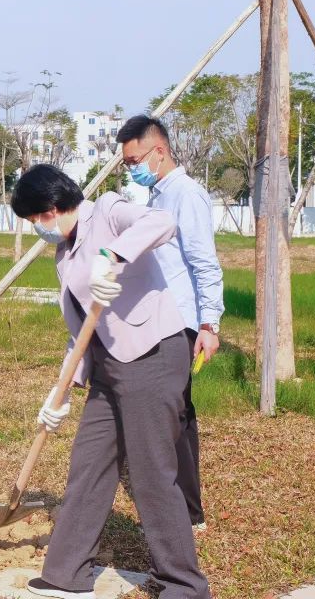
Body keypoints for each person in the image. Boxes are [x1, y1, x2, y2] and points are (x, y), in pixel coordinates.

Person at [10, 165, 210, 599]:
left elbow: (163, 223)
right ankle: (67, 574)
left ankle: (185, 586)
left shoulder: (109, 211)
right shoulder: (64, 254)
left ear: (51, 208)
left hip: (152, 357)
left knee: (152, 473)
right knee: (89, 466)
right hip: (107, 369)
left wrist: (114, 257)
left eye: (33, 220)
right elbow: (80, 331)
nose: (36, 229)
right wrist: (60, 390)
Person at [117, 115, 224, 532]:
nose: (132, 169)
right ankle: (182, 506)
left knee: (172, 414)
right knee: (173, 411)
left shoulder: (186, 195)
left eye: (134, 160)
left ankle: (185, 511)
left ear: (158, 151)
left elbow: (204, 264)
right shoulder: (156, 197)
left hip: (180, 322)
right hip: (158, 320)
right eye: (127, 164)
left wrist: (209, 325)